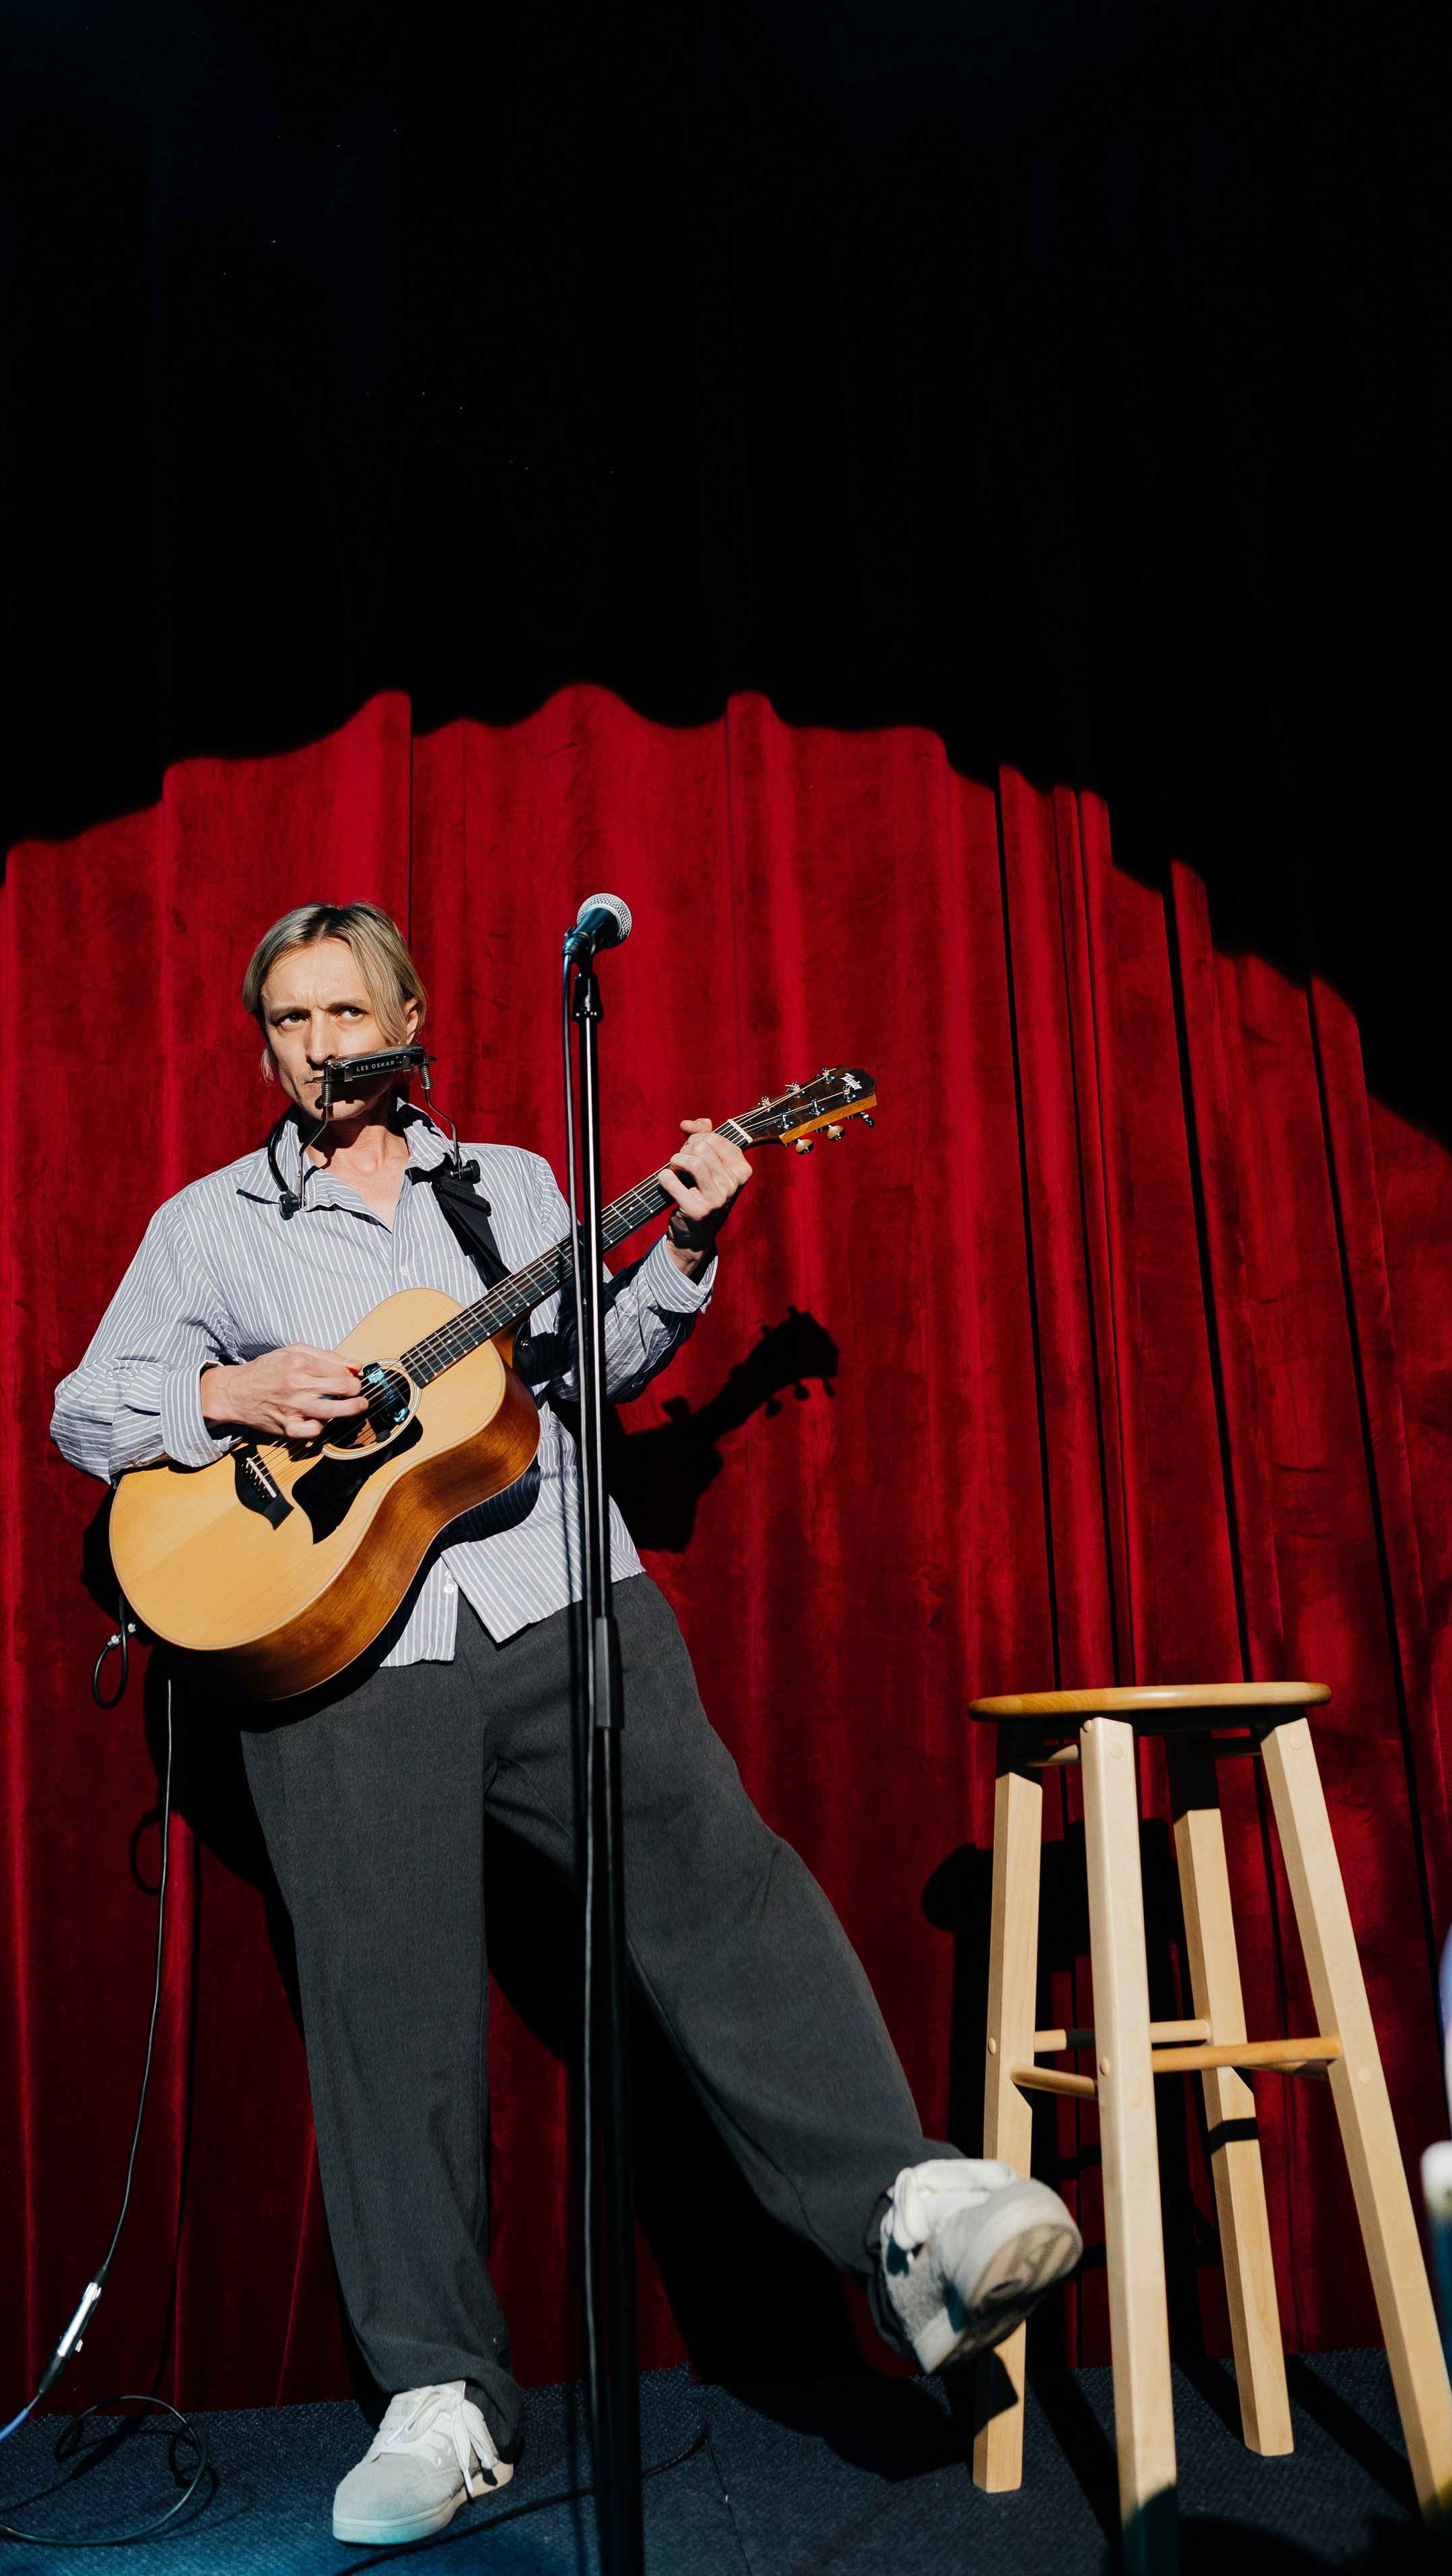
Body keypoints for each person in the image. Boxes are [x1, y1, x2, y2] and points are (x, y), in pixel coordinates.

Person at [52, 900, 1081, 2548]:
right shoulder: (206, 1229)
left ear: (408, 1016)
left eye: (345, 1011)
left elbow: (583, 1371)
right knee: (388, 2021)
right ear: (267, 1047)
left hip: (559, 1599)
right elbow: (85, 1407)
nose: (321, 1045)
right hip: (335, 1653)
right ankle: (440, 2396)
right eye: (290, 1022)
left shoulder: (512, 1187)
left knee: (718, 1892)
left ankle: (911, 2207)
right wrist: (223, 1396)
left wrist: (683, 1243)